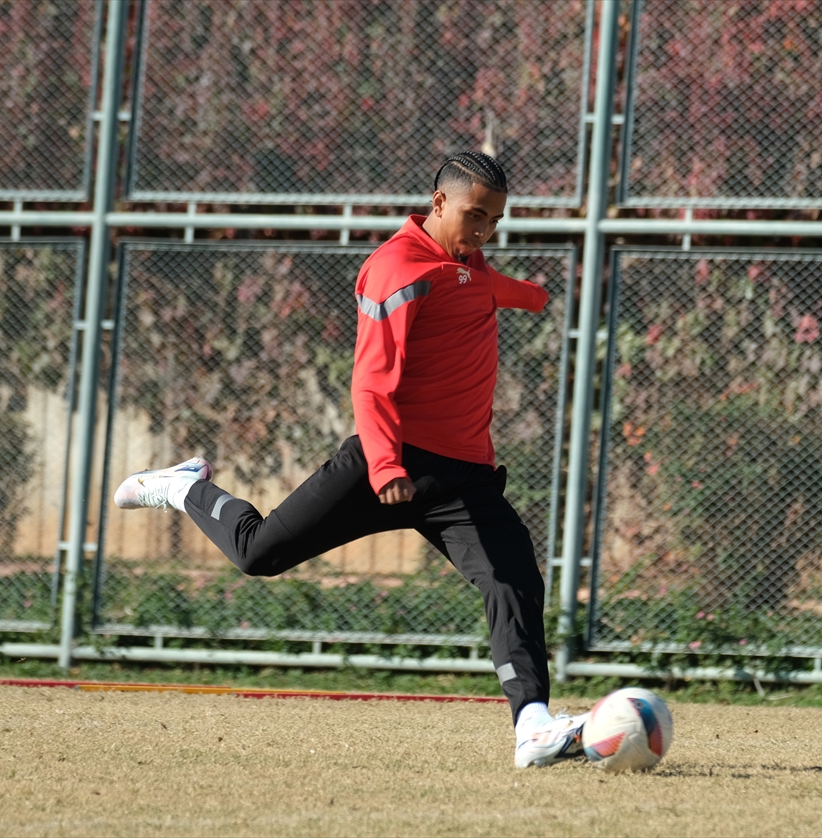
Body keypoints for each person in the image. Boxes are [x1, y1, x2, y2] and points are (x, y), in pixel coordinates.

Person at [113, 151, 587, 768]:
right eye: (475, 216)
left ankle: (533, 726)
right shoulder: (395, 270)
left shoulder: (467, 264)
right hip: (385, 468)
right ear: (438, 203)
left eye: (494, 221)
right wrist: (387, 467)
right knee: (260, 554)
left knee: (513, 578)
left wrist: (538, 296)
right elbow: (371, 382)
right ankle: (183, 488)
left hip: (464, 476)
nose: (483, 233)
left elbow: (486, 288)